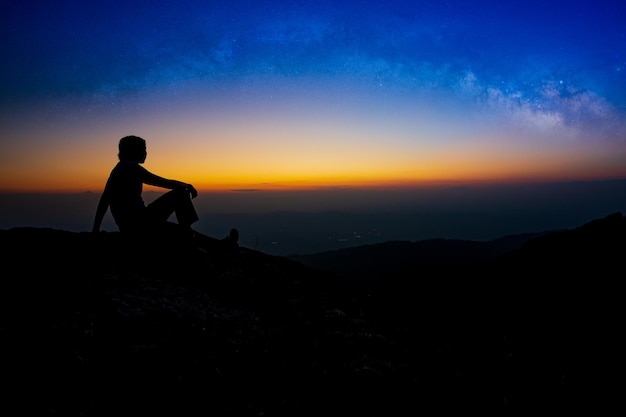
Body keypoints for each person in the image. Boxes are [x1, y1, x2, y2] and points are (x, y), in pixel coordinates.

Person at [92, 135, 200, 237]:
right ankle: (187, 231)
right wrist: (187, 186)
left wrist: (95, 229)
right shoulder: (131, 168)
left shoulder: (118, 169)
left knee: (174, 228)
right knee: (180, 193)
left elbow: (104, 200)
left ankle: (186, 233)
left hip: (129, 225)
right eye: (143, 149)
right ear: (133, 151)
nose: (145, 153)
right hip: (139, 222)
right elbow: (162, 182)